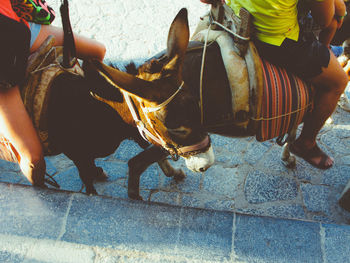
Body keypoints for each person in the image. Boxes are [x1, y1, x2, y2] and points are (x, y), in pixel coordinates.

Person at [200, 0, 348, 169]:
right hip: (276, 41)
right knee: (338, 82)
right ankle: (305, 143)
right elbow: (324, 20)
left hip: (235, 19)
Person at [0, 0, 106, 186]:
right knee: (33, 158)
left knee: (98, 52)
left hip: (22, 31)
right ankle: (40, 191)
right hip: (4, 71)